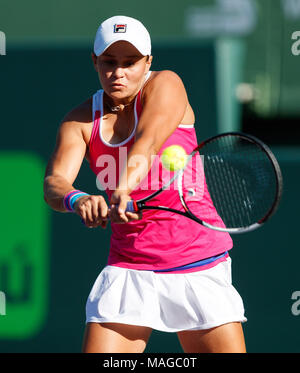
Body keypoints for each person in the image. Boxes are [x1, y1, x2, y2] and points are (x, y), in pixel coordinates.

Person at [43, 15, 247, 353]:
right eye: (109, 62)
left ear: (148, 62)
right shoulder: (78, 121)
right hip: (129, 267)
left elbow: (148, 142)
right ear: (95, 61)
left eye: (130, 62)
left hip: (199, 262)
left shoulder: (167, 84)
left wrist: (122, 188)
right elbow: (55, 182)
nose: (118, 72)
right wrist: (77, 199)